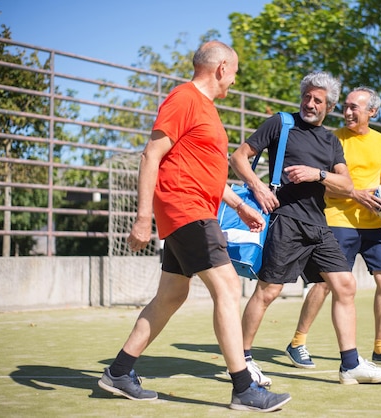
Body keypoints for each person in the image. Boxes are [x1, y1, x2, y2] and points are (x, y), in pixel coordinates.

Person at [97, 41, 291, 413]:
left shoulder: (207, 110)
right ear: (221, 68)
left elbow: (205, 172)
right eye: (233, 72)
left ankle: (119, 372)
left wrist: (238, 205)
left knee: (172, 295)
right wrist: (142, 217)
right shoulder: (184, 99)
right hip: (185, 209)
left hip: (198, 208)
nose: (233, 81)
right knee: (228, 286)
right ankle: (244, 388)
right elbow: (151, 154)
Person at [229, 72, 381, 386]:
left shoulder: (331, 140)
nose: (310, 103)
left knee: (345, 285)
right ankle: (242, 360)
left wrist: (316, 174)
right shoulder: (281, 124)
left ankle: (350, 365)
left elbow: (346, 184)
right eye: (307, 96)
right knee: (268, 292)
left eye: (318, 100)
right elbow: (239, 157)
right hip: (286, 220)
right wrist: (259, 188)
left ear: (328, 106)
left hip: (319, 224)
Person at [284, 87, 381, 370]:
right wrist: (356, 195)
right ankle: (297, 342)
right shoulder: (331, 140)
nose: (348, 112)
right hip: (338, 220)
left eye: (355, 107)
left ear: (372, 112)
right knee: (324, 284)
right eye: (346, 106)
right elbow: (323, 182)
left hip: (375, 223)